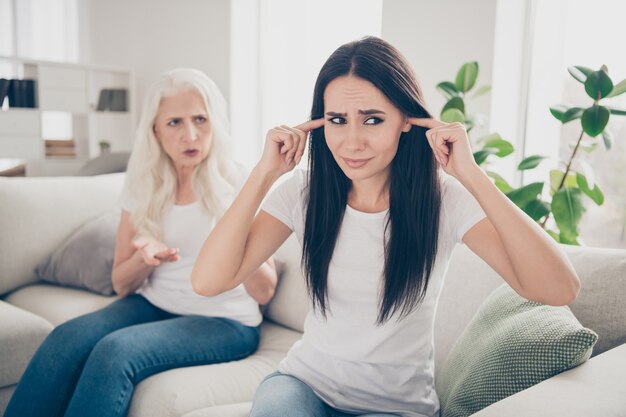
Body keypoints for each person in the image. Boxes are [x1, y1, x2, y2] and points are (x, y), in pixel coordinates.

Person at [191, 37, 580, 417]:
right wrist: (264, 173)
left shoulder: (444, 201)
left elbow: (558, 288)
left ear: (407, 122)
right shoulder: (304, 192)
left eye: (373, 120)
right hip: (301, 385)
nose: (352, 141)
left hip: (395, 407)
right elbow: (209, 281)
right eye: (337, 121)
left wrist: (471, 173)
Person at [4, 68, 277, 417]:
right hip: (153, 304)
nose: (190, 135)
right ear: (156, 131)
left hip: (224, 321)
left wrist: (229, 230)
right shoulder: (143, 184)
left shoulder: (238, 181)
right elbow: (121, 282)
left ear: (215, 123)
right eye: (175, 123)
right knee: (66, 337)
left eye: (200, 119)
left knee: (115, 352)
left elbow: (266, 291)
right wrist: (144, 259)